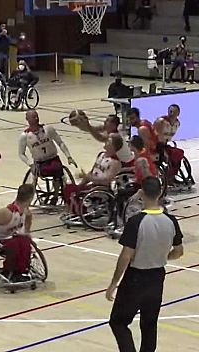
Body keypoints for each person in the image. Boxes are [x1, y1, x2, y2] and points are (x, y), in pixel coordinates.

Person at [107, 176, 184, 352]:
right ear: (160, 194)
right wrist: (161, 256)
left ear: (141, 193)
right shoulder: (171, 221)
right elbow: (179, 251)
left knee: (118, 322)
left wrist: (113, 284)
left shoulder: (136, 222)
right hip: (157, 277)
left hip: (136, 278)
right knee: (149, 324)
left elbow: (126, 256)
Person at [0, 183, 36, 283]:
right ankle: (8, 271)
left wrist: (27, 231)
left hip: (13, 237)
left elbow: (29, 217)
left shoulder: (25, 209)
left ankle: (21, 271)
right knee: (15, 244)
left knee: (25, 241)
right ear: (31, 198)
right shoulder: (7, 213)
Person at [62, 134, 124, 215]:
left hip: (102, 189)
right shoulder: (101, 155)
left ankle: (81, 212)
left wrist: (89, 178)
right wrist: (81, 184)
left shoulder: (116, 162)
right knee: (69, 187)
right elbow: (91, 172)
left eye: (109, 141)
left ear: (113, 146)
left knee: (72, 191)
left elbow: (107, 179)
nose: (106, 141)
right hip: (93, 185)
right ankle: (75, 210)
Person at [19, 109, 76, 184]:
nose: (36, 118)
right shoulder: (25, 136)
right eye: (33, 117)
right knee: (34, 174)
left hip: (53, 159)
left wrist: (69, 156)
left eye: (37, 116)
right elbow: (21, 154)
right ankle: (32, 190)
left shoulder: (48, 129)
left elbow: (60, 143)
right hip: (39, 163)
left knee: (57, 171)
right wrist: (30, 164)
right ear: (27, 119)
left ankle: (56, 193)